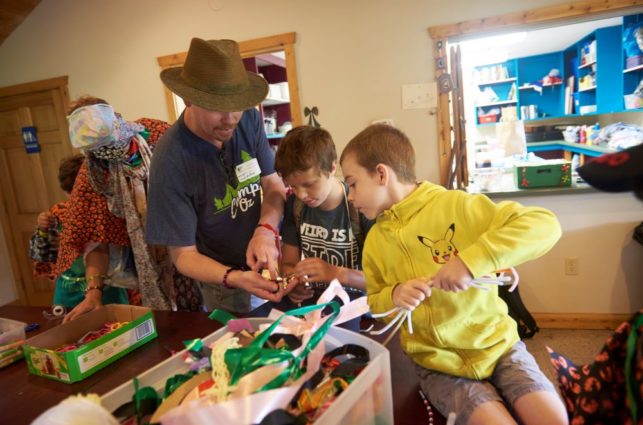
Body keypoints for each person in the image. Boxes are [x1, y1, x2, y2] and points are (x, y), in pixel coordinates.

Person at [340, 123, 569, 425]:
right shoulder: (375, 243)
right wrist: (395, 295)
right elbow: (377, 304)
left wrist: (471, 261)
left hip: (499, 347)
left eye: (352, 184)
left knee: (554, 419)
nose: (350, 196)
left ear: (381, 174)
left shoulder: (457, 205)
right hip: (439, 367)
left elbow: (544, 224)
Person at [145, 38, 287, 314]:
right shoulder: (170, 161)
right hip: (223, 283)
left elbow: (273, 185)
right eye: (217, 107)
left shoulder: (249, 119)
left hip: (269, 259)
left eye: (237, 105)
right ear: (188, 99)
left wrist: (266, 230)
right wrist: (235, 278)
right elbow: (184, 256)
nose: (231, 118)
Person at [60, 96, 181, 322]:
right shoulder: (95, 174)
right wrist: (94, 293)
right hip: (146, 265)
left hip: (192, 243)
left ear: (116, 120)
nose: (106, 152)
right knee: (167, 324)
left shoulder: (158, 134)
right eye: (96, 148)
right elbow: (97, 239)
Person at [273, 125, 372, 331]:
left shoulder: (360, 206)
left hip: (350, 301)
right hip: (310, 300)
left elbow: (381, 280)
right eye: (293, 186)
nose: (301, 194)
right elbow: (289, 263)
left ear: (332, 168)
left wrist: (333, 272)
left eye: (309, 184)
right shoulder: (296, 205)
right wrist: (293, 283)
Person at [29, 154, 128, 309]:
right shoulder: (57, 214)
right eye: (72, 194)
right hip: (69, 291)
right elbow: (42, 256)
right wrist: (42, 230)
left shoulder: (107, 213)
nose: (79, 201)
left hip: (106, 288)